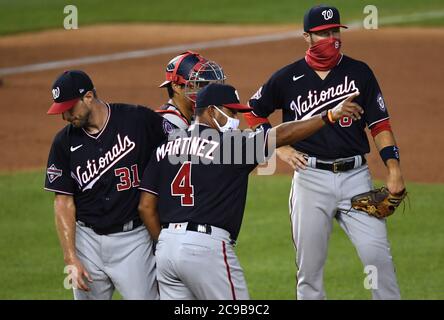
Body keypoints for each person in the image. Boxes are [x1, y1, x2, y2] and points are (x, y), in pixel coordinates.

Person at [137, 83, 363, 300]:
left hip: (167, 248)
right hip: (205, 248)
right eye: (231, 112)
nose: (235, 120)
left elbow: (145, 206)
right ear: (210, 111)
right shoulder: (230, 146)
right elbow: (281, 135)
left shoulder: (165, 146)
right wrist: (328, 116)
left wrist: (168, 243)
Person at [245, 5, 406, 300]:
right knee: (310, 271)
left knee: (378, 260)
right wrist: (281, 148)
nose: (331, 39)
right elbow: (254, 112)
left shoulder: (359, 72)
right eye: (323, 34)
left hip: (356, 178)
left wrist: (393, 168)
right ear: (307, 36)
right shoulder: (287, 78)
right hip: (310, 179)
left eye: (335, 32)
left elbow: (380, 123)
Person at [44, 70, 169, 300]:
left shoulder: (137, 120)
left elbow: (179, 146)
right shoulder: (63, 142)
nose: (66, 117)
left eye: (69, 109)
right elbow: (63, 201)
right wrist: (71, 257)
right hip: (87, 242)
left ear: (88, 97)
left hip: (134, 241)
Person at [157, 51, 226, 130]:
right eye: (197, 84)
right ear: (176, 86)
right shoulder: (164, 123)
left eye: (207, 84)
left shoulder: (200, 117)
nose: (207, 91)